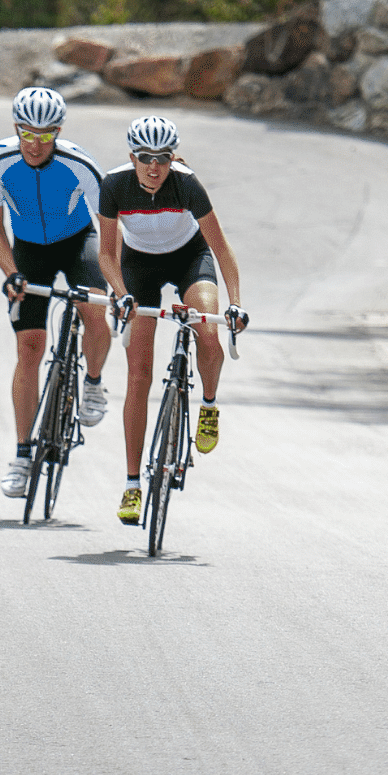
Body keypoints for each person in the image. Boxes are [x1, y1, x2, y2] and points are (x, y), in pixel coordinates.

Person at [97, 113, 248, 524]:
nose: (153, 167)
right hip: (139, 266)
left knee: (207, 328)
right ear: (132, 156)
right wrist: (122, 295)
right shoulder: (114, 185)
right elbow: (107, 256)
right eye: (145, 157)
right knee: (138, 374)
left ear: (172, 157)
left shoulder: (187, 184)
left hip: (188, 257)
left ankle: (209, 404)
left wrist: (233, 304)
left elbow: (222, 251)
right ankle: (132, 485)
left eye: (162, 158)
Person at [0, 86, 112, 499]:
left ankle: (92, 382)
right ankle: (21, 456)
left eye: (45, 135)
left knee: (94, 311)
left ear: (58, 132)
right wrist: (10, 273)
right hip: (29, 251)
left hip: (78, 243)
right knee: (30, 348)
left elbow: (109, 229)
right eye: (27, 133)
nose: (35, 144)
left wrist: (116, 282)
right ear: (15, 128)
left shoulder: (81, 165)